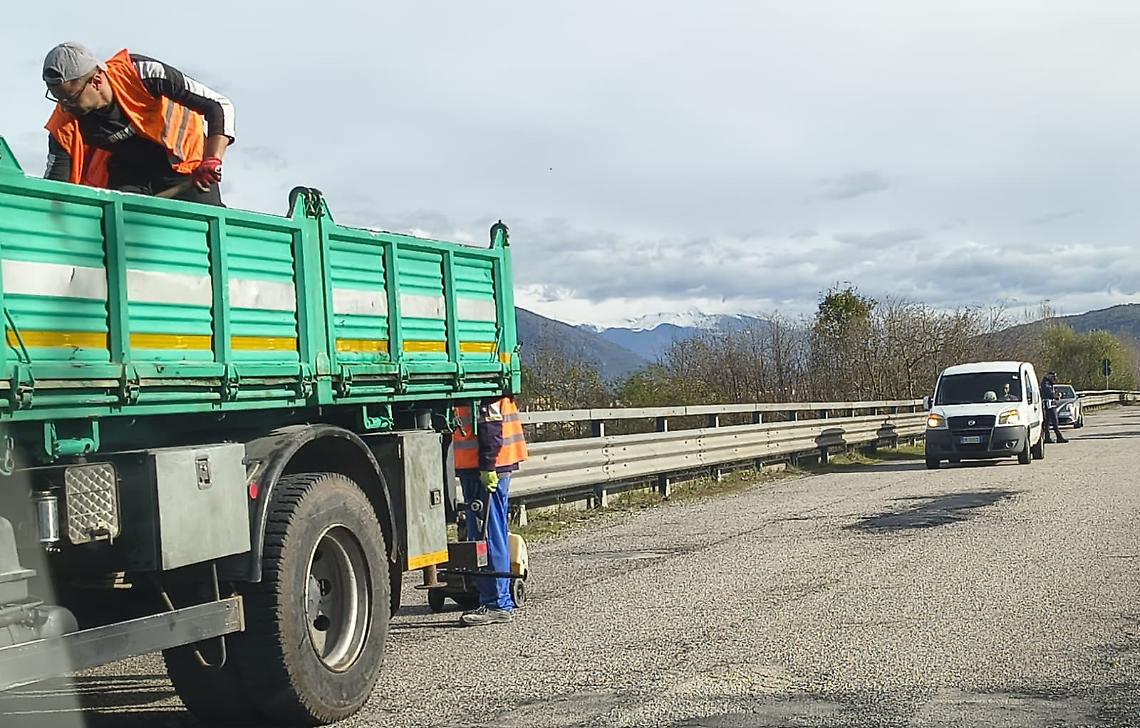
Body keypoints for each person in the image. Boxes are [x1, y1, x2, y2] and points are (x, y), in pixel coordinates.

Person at [41, 42, 234, 205]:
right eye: (58, 99)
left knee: (205, 233)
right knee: (118, 230)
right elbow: (56, 188)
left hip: (185, 165)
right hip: (130, 173)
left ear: (97, 81)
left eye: (70, 98)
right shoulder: (64, 122)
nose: (64, 108)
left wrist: (212, 159)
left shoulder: (141, 73)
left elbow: (219, 105)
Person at [452, 394, 528, 626]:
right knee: (492, 533)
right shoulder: (488, 376)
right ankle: (497, 598)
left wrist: (487, 465)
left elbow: (491, 422)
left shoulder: (483, 386)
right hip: (485, 465)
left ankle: (496, 603)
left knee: (487, 535)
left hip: (484, 466)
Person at [1041, 371, 1068, 443]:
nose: (1054, 379)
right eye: (1053, 377)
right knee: (1053, 421)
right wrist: (1056, 396)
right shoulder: (1046, 384)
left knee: (1048, 422)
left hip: (1050, 404)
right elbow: (1049, 393)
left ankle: (1048, 437)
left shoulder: (1048, 383)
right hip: (1049, 405)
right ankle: (1058, 437)